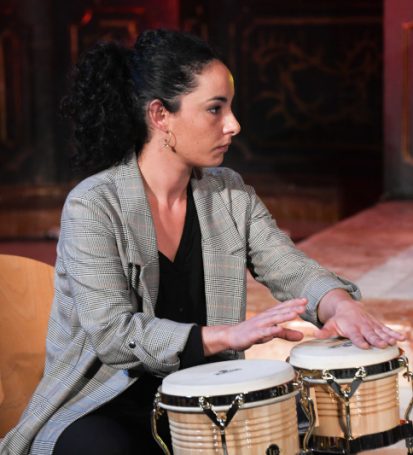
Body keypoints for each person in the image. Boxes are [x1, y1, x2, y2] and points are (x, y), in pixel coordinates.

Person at [0, 29, 404, 455]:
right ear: (161, 116)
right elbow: (115, 335)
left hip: (202, 399)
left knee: (310, 429)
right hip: (102, 405)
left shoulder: (229, 193)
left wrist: (340, 305)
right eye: (215, 109)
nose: (234, 124)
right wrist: (227, 335)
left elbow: (290, 267)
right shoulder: (94, 205)